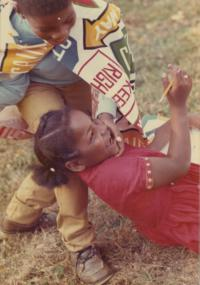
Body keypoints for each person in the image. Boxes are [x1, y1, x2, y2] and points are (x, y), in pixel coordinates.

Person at [0, 0, 143, 283]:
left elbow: (110, 69)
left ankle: (20, 214)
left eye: (66, 20)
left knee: (84, 148)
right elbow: (14, 85)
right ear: (21, 13)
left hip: (84, 79)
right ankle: (81, 245)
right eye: (48, 30)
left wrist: (105, 113)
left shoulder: (96, 16)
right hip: (36, 88)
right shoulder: (7, 32)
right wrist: (7, 111)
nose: (62, 33)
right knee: (71, 154)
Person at [33, 65, 199, 254]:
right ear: (76, 164)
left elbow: (147, 153)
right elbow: (177, 165)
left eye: (95, 121)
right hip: (184, 214)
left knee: (187, 122)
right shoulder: (114, 174)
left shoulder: (100, 155)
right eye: (92, 136)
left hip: (175, 190)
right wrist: (178, 108)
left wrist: (180, 121)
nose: (103, 129)